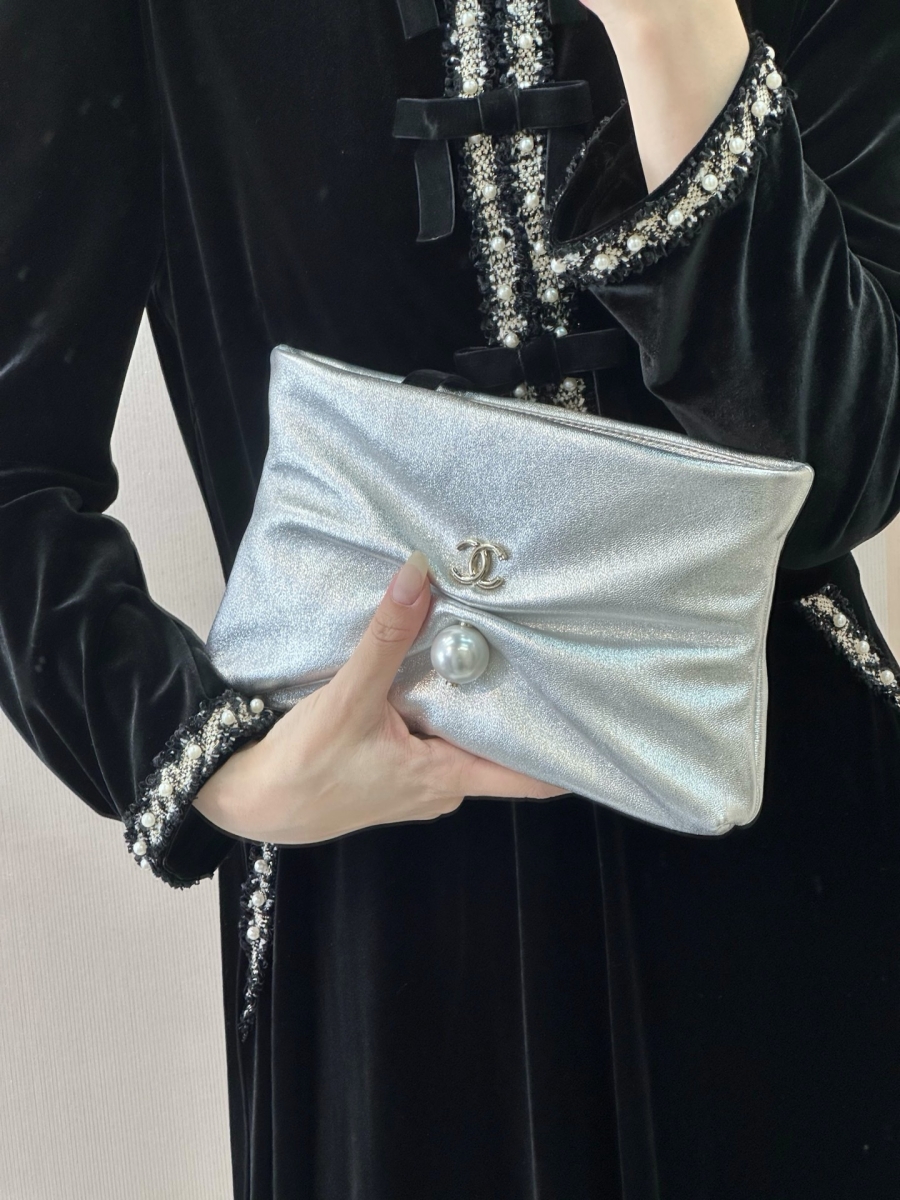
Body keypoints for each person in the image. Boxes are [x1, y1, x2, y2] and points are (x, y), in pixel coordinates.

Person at [1, 0, 898, 1195]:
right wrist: (207, 761)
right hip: (376, 904)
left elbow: (844, 468)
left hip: (789, 853)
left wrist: (671, 30)